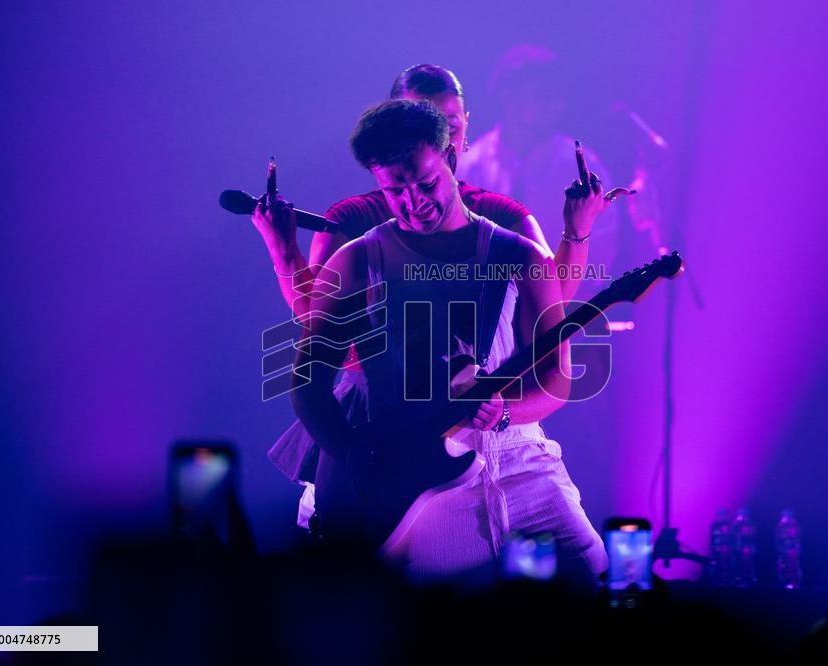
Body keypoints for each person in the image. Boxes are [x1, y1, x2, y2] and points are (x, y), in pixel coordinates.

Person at [253, 65, 631, 529]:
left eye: (449, 120)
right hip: (383, 428)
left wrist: (577, 232)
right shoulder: (352, 232)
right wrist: (284, 251)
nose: (413, 202)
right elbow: (313, 333)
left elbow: (550, 312)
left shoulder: (507, 225)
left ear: (454, 141)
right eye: (397, 190)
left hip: (494, 431)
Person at [457, 45, 619, 299]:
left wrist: (563, 303)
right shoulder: (470, 166)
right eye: (542, 94)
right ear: (507, 95)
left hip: (564, 307)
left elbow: (601, 247)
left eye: (557, 96)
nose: (554, 106)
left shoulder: (581, 167)